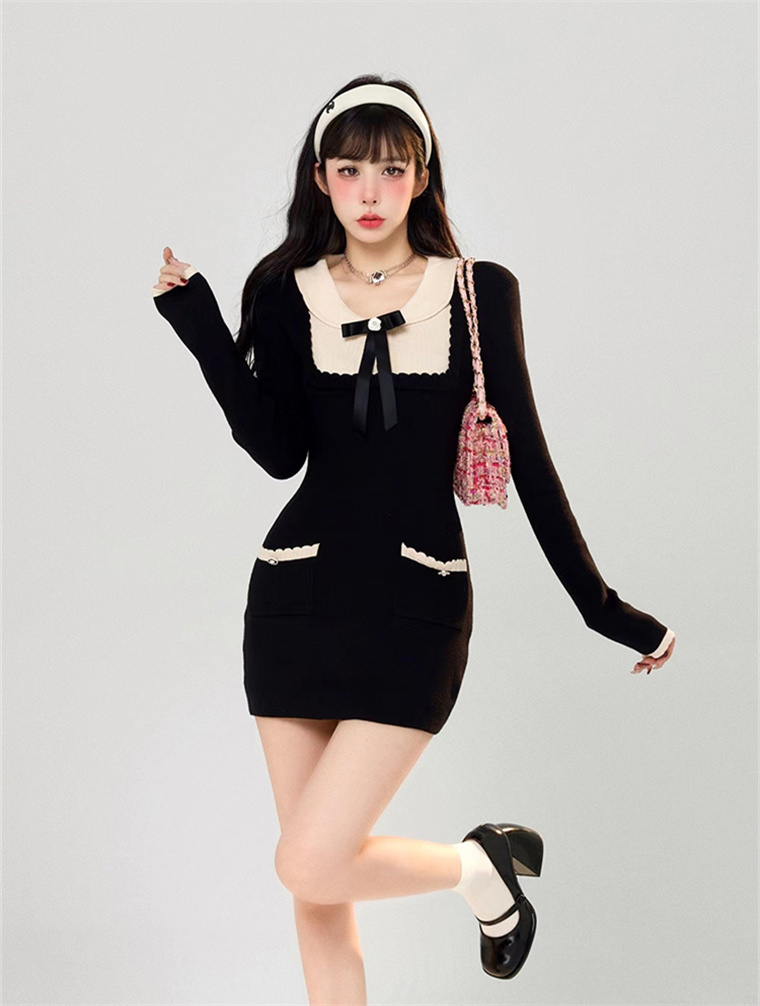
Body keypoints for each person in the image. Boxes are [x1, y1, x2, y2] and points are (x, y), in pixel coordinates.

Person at [151, 75, 676, 1002]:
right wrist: (201, 329)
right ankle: (478, 870)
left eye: (391, 170)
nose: (369, 192)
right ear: (320, 177)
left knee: (311, 859)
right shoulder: (283, 291)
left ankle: (480, 868)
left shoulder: (477, 293)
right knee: (315, 888)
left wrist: (605, 610)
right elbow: (277, 453)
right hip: (295, 600)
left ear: (422, 178)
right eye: (349, 169)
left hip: (415, 606)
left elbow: (529, 462)